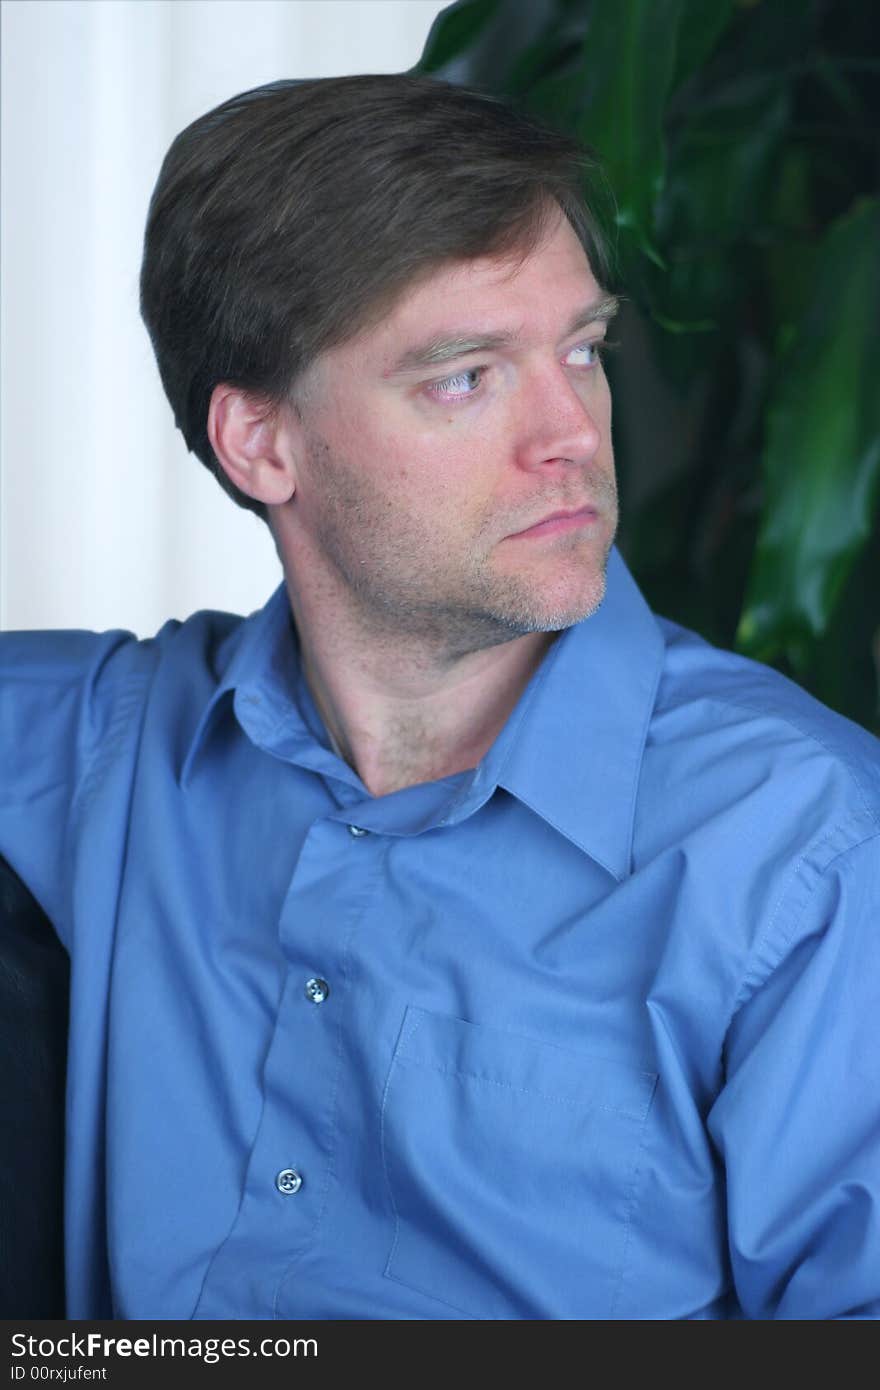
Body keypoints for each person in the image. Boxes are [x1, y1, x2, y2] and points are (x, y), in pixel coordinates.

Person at [1, 73, 878, 1322]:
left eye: (581, 350)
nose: (569, 430)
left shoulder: (805, 847)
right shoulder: (115, 740)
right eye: (465, 377)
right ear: (262, 444)